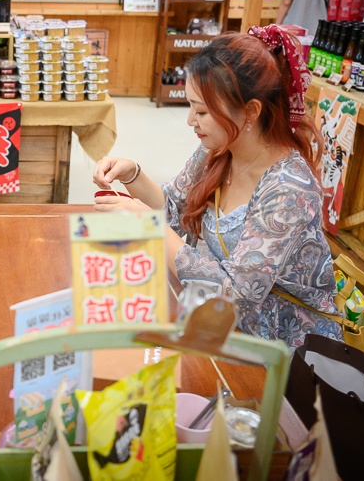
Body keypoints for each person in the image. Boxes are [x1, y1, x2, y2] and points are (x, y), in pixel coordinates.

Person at [93, 29, 343, 349]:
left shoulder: (289, 189)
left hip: (279, 347)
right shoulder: (221, 149)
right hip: (213, 322)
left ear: (251, 112)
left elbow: (234, 296)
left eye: (200, 112)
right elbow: (174, 206)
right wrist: (133, 176)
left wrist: (148, 227)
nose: (189, 121)